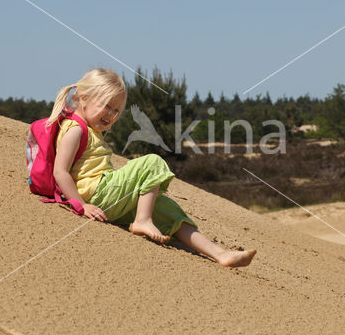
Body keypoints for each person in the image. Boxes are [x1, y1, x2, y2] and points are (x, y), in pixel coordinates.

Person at [51, 68, 256, 268]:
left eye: (116, 111)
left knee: (167, 208)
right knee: (153, 162)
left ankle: (221, 255)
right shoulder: (75, 129)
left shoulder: (89, 130)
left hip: (105, 202)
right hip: (96, 196)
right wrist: (81, 205)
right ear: (84, 98)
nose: (111, 115)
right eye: (106, 106)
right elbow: (60, 172)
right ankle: (142, 220)